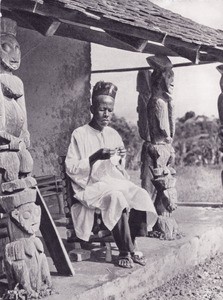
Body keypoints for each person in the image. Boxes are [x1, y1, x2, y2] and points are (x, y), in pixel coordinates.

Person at [65, 81, 157, 268]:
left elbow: (119, 168)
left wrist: (120, 158)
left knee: (140, 194)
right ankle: (125, 251)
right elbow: (71, 167)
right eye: (102, 109)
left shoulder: (113, 134)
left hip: (113, 181)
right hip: (90, 187)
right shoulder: (79, 134)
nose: (106, 114)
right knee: (116, 198)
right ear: (92, 108)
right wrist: (95, 156)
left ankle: (131, 244)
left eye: (110, 110)